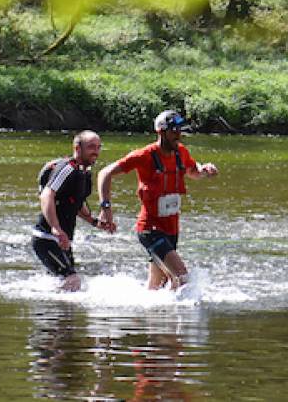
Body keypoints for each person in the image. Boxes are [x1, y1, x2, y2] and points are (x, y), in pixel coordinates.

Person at [97, 110, 218, 290]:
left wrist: (204, 171)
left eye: (180, 131)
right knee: (182, 278)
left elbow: (193, 171)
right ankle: (185, 315)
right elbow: (105, 173)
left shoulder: (181, 152)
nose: (179, 135)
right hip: (150, 229)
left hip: (172, 228)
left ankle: (151, 316)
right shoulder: (144, 155)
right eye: (174, 131)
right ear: (161, 132)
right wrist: (106, 208)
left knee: (157, 287)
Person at [33, 130, 113, 292]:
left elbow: (75, 205)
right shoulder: (67, 169)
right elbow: (47, 195)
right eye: (91, 147)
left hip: (63, 240)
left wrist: (95, 222)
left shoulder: (85, 173)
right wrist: (56, 228)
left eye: (98, 147)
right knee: (72, 280)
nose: (96, 152)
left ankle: (53, 314)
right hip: (47, 238)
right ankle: (57, 315)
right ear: (77, 148)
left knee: (62, 283)